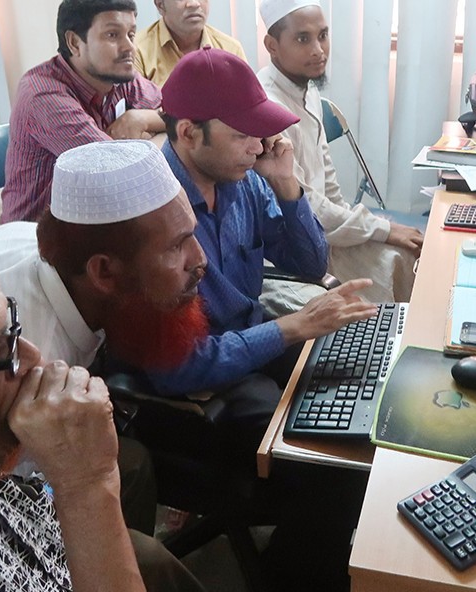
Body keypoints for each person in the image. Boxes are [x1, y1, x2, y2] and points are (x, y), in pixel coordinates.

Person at [0, 210, 209, 592]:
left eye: (11, 325)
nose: (34, 358)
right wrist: (86, 486)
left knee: (149, 556)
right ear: (103, 271)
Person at [0, 139, 209, 536]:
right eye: (175, 247)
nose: (200, 260)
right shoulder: (23, 363)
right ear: (104, 272)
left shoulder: (34, 244)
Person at [151, 47, 377, 422]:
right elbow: (179, 365)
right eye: (242, 134)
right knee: (285, 421)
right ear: (189, 133)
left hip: (251, 337)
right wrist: (290, 326)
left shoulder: (246, 181)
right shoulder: (153, 213)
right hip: (202, 375)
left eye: (258, 133)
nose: (258, 147)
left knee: (356, 366)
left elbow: (311, 265)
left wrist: (286, 183)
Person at [257, 0, 424, 308]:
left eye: (323, 35)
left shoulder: (307, 89)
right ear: (272, 45)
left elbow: (330, 188)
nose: (318, 50)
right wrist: (383, 229)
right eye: (303, 39)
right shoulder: (269, 107)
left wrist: (371, 228)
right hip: (295, 250)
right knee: (396, 257)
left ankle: (403, 331)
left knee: (409, 254)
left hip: (327, 232)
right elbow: (306, 204)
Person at [1, 0, 164, 223]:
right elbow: (117, 174)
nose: (130, 48)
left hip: (97, 219)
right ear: (75, 43)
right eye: (112, 35)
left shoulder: (119, 76)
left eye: (131, 35)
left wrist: (142, 118)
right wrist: (156, 139)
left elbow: (182, 114)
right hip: (37, 235)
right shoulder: (42, 95)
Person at [134, 0, 246, 86]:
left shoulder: (231, 49)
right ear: (160, 5)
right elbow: (137, 106)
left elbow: (247, 104)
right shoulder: (136, 50)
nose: (194, 3)